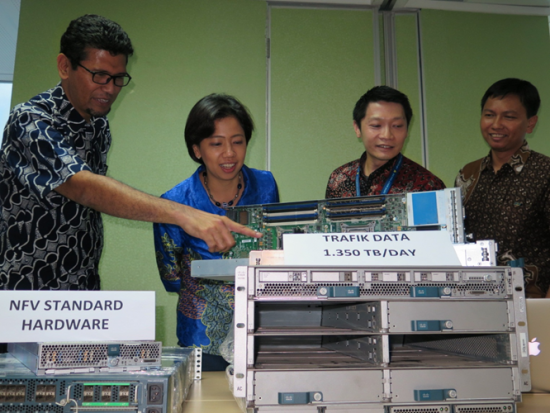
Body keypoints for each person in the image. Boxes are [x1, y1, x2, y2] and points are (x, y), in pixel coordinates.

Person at [0, 15, 259, 291]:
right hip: (23, 291)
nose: (110, 89)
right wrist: (184, 214)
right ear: (65, 66)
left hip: (80, 288)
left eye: (118, 78)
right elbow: (83, 186)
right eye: (99, 76)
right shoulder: (29, 121)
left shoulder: (98, 125)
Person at [153, 94, 279, 371]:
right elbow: (171, 276)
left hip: (261, 328)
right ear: (197, 149)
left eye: (237, 141)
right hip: (202, 335)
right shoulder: (174, 203)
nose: (229, 153)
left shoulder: (266, 185)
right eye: (216, 144)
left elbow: (274, 248)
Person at [455, 78, 550, 298]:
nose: (496, 124)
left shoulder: (545, 172)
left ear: (530, 123)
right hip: (473, 302)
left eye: (509, 116)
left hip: (530, 304)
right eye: (489, 115)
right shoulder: (467, 174)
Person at [325, 86, 445, 198]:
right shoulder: (339, 179)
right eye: (376, 125)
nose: (387, 135)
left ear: (407, 130)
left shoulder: (427, 186)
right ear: (357, 128)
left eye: (397, 126)